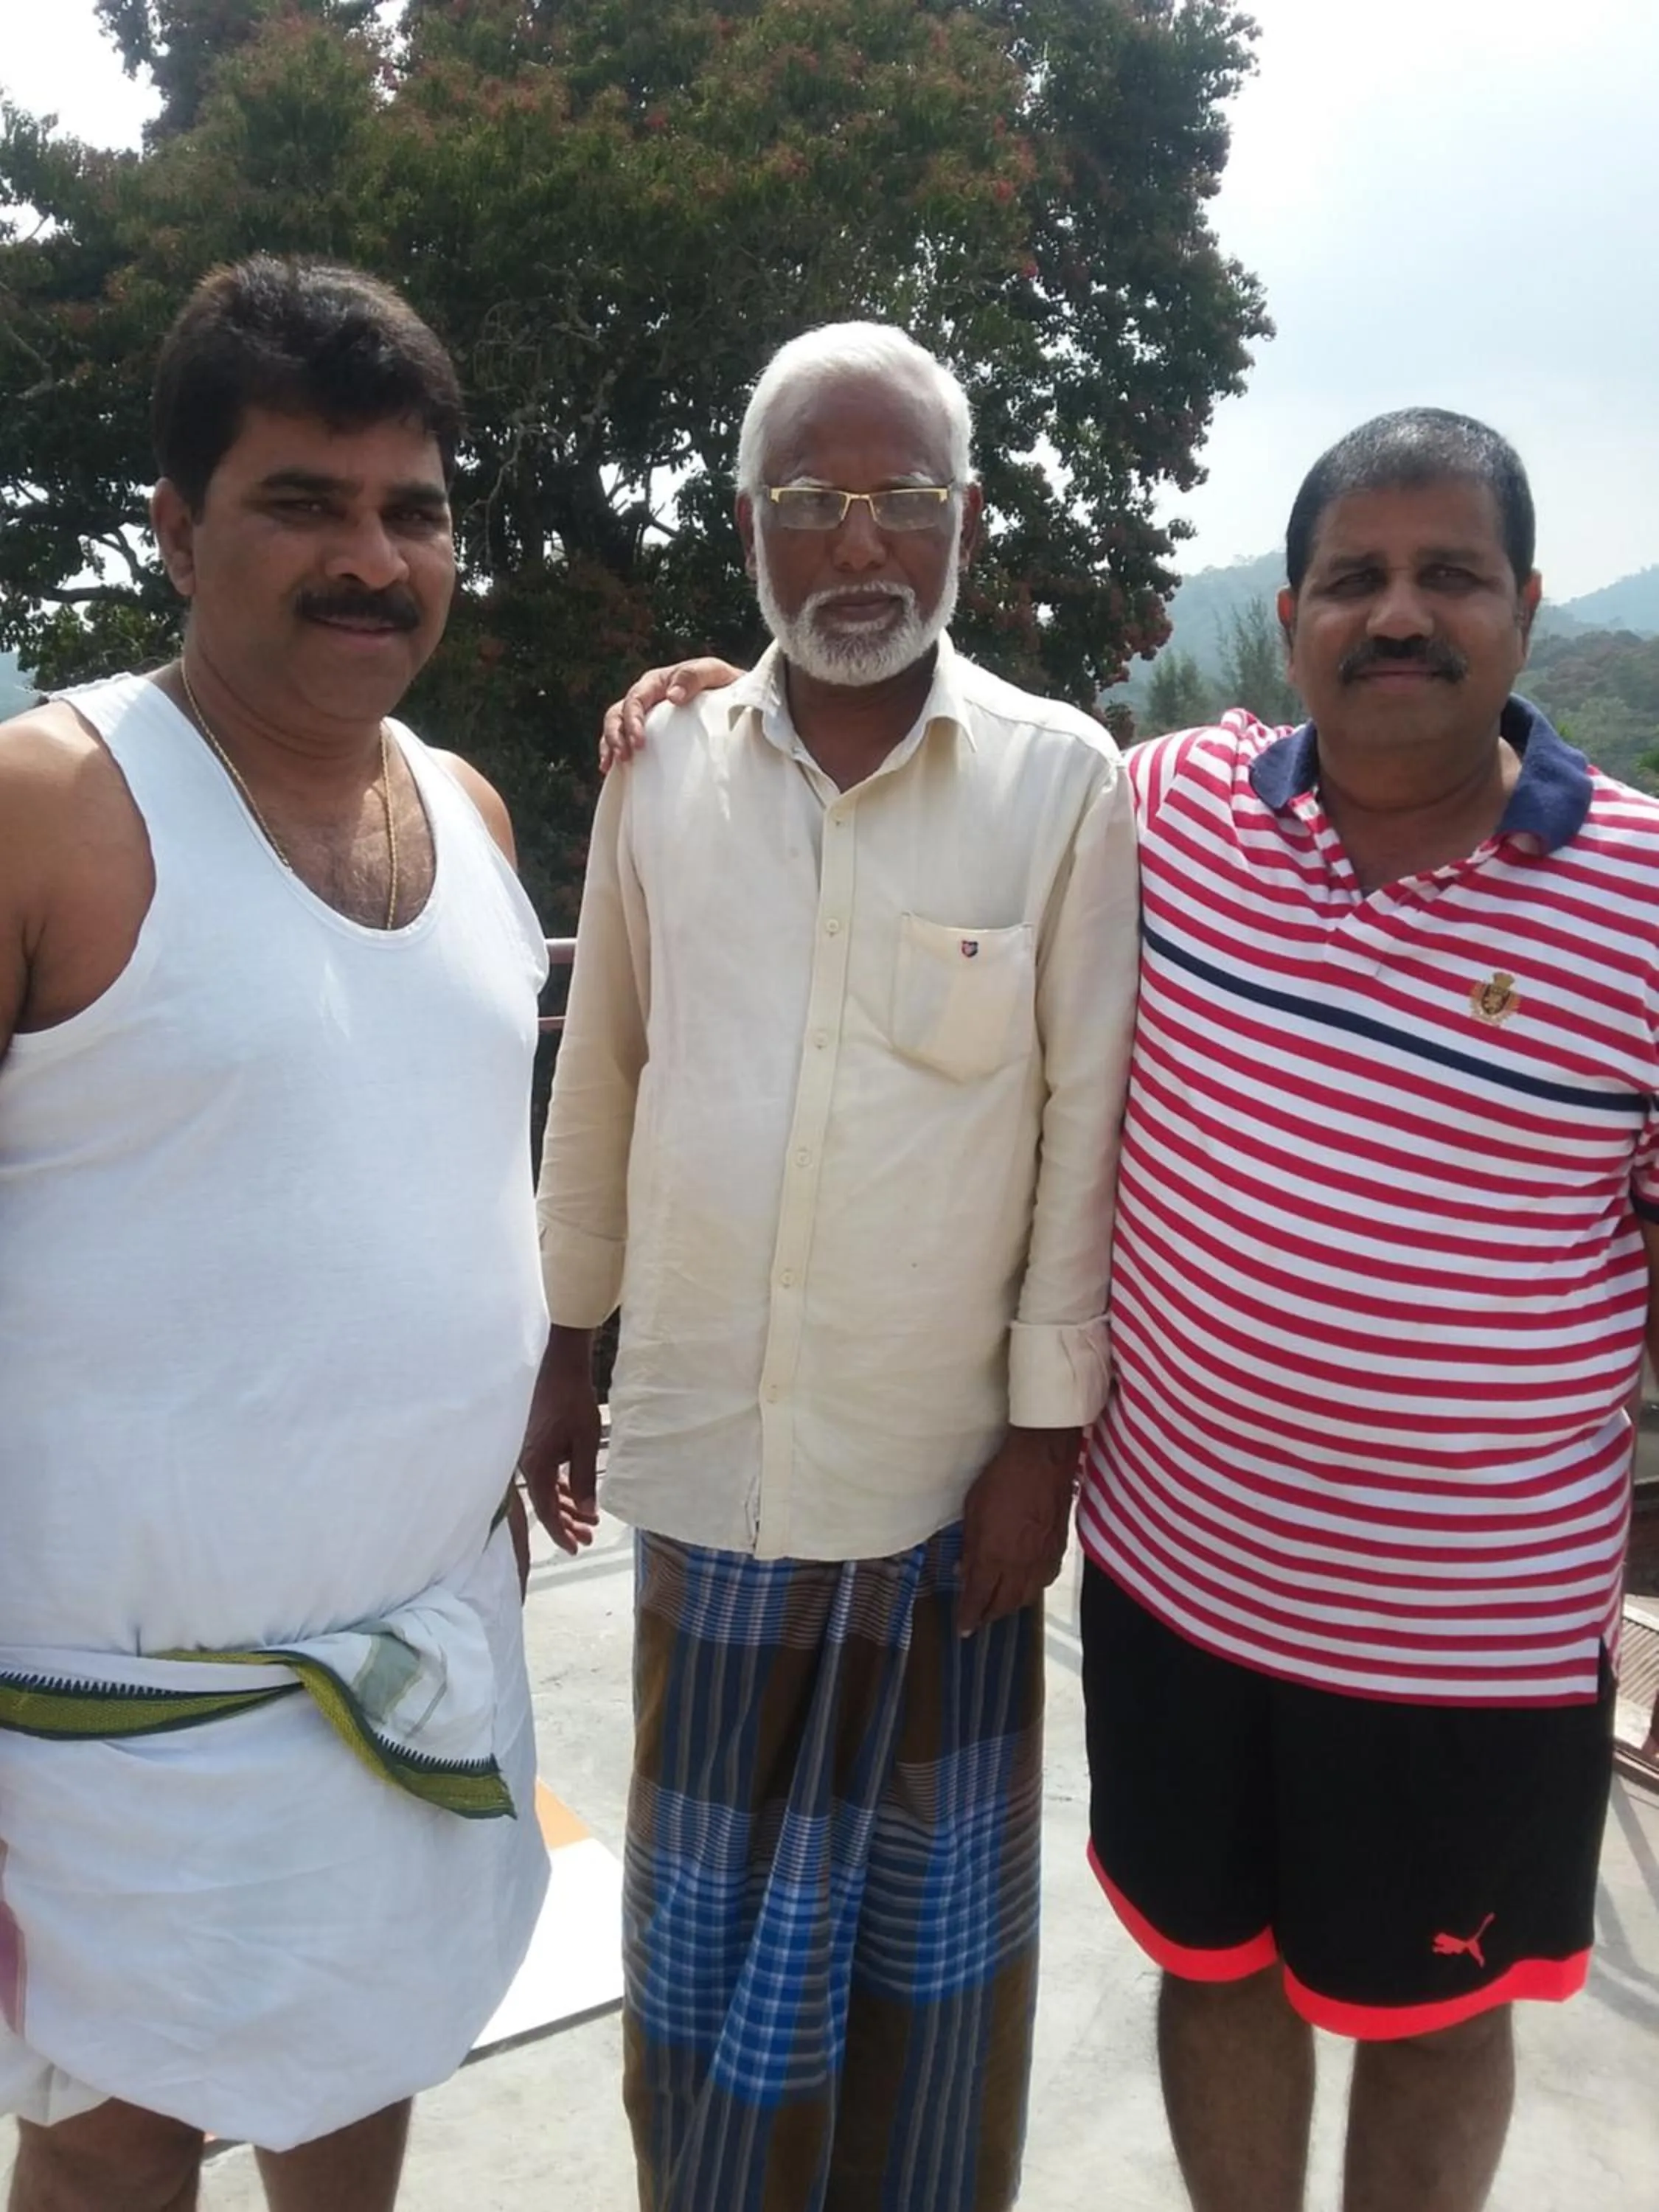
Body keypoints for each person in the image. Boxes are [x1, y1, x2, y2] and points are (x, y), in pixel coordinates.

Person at [605, 408, 1658, 2212]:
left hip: (1468, 1633)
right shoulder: (1162, 810)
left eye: (1448, 577)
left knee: (1435, 2014)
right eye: (1352, 580)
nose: (1396, 616)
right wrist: (722, 699)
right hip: (1185, 1590)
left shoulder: (1641, 896)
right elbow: (908, 758)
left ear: (1530, 607)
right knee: (1217, 1968)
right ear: (1301, 613)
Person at [524, 321, 1140, 2212]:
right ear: (750, 523)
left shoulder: (1062, 782)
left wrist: (1044, 1445)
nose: (860, 544)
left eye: (903, 501)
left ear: (966, 519)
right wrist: (568, 1346)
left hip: (940, 1500)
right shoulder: (662, 770)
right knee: (700, 1961)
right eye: (814, 501)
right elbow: (604, 1069)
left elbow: (1079, 1131)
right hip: (713, 1483)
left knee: (925, 1989)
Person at [0, 257, 551, 2212]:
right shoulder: (53, 805)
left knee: (366, 2071)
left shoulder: (473, 816)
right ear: (175, 526)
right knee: (112, 2145)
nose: (369, 559)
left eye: (410, 510)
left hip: (415, 1669)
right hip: (113, 1728)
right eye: (301, 505)